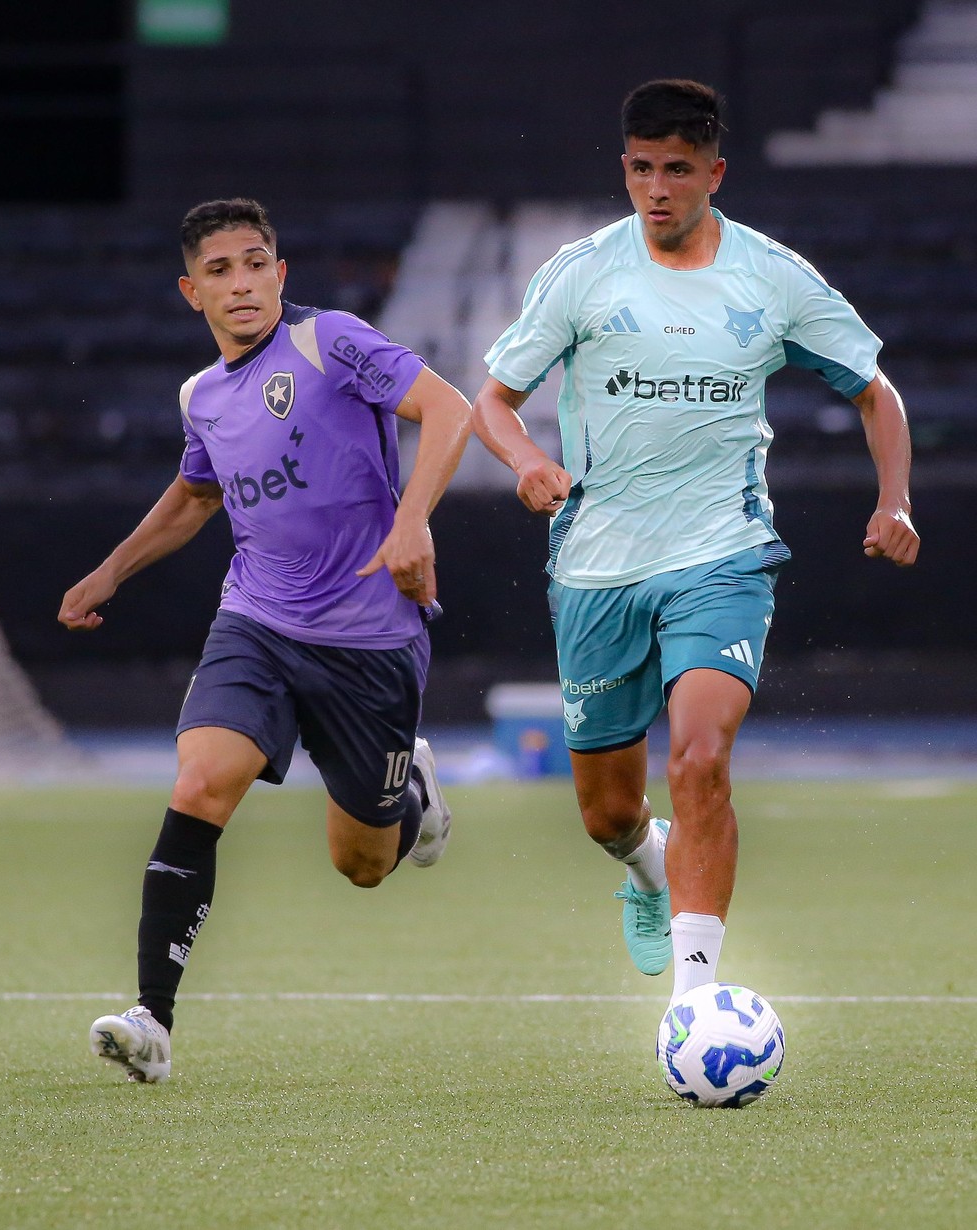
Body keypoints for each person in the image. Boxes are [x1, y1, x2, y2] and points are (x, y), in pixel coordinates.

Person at [472, 80, 919, 1001]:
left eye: (678, 170)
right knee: (607, 814)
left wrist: (897, 501)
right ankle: (647, 866)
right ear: (625, 170)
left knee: (701, 757)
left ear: (714, 173)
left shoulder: (772, 277)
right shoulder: (583, 271)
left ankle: (696, 998)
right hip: (597, 565)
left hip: (723, 554)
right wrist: (523, 462)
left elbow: (875, 390)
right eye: (642, 169)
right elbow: (493, 401)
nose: (659, 188)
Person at [59, 198, 472, 1082]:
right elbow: (197, 497)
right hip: (257, 619)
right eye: (219, 270)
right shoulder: (200, 397)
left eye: (255, 264)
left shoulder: (334, 341)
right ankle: (152, 1019)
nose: (241, 284)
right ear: (190, 292)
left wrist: (412, 523)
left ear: (280, 274)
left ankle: (411, 800)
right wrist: (110, 572)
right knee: (202, 782)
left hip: (369, 640)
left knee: (361, 864)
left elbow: (450, 411)